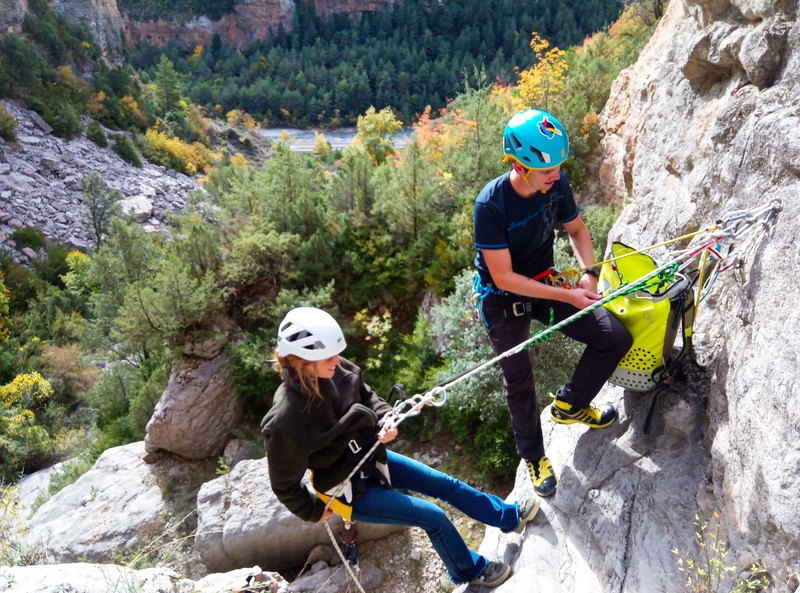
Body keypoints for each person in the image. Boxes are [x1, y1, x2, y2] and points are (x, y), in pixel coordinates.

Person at [261, 307, 539, 588]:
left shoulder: (335, 367)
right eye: (327, 357)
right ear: (301, 361)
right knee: (433, 516)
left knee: (445, 484)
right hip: (345, 488)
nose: (337, 360)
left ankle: (508, 516)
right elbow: (284, 484)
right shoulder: (285, 420)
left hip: (371, 455)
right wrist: (312, 510)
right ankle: (468, 570)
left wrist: (385, 417)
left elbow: (367, 395)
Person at [472, 109, 633, 499]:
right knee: (519, 380)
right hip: (503, 298)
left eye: (559, 167)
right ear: (519, 165)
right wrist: (568, 295)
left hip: (544, 283)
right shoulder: (491, 206)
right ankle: (534, 456)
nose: (556, 175)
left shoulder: (555, 186)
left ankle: (571, 403)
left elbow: (577, 229)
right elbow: (505, 277)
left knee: (613, 336)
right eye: (546, 169)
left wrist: (588, 274)